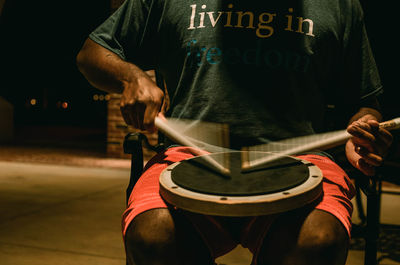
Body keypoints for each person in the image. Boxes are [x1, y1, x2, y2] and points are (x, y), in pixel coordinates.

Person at [76, 0, 393, 264]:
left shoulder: (339, 5)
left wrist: (364, 132)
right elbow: (91, 53)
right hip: (188, 155)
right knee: (152, 235)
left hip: (303, 159)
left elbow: (365, 101)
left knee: (319, 239)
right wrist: (131, 77)